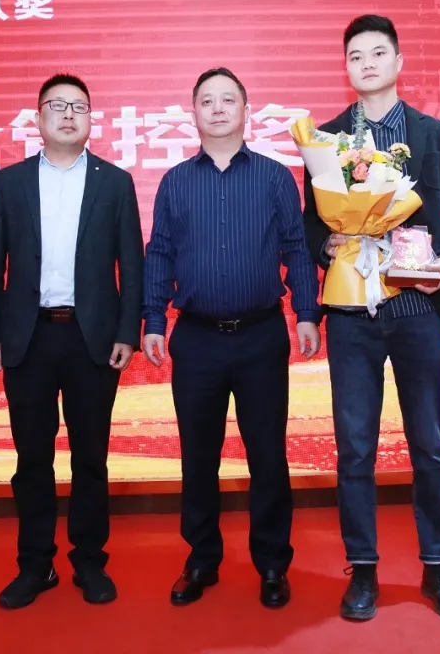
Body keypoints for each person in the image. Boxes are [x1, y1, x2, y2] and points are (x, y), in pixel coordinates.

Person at [303, 15, 440, 622]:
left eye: (378, 53)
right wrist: (324, 244)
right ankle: (363, 570)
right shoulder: (327, 142)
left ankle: (439, 567)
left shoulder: (435, 137)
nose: (368, 63)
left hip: (418, 309)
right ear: (346, 67)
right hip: (352, 315)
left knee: (428, 444)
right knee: (355, 448)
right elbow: (310, 224)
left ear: (399, 62)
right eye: (356, 55)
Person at [142, 67, 321, 609]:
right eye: (207, 101)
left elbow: (296, 248)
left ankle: (273, 564)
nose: (217, 109)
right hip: (196, 340)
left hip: (261, 336)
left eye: (228, 100)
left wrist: (307, 312)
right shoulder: (176, 181)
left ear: (246, 110)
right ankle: (201, 560)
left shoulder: (274, 177)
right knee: (198, 457)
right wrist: (154, 320)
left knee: (267, 455)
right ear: (193, 114)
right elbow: (160, 253)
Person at [0, 73, 144, 609]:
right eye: (58, 106)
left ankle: (90, 562)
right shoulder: (10, 183)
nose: (69, 115)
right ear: (39, 118)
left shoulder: (115, 183)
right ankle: (36, 565)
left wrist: (128, 332)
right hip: (27, 338)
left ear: (92, 119)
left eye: (79, 107)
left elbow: (132, 266)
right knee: (32, 459)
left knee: (91, 458)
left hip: (92, 339)